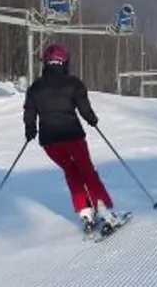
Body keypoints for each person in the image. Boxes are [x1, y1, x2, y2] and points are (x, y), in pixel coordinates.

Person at [23, 43, 122, 232]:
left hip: (50, 141)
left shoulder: (36, 87)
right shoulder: (73, 83)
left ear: (46, 62)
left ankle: (85, 211)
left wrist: (30, 130)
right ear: (64, 62)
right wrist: (92, 120)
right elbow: (84, 108)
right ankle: (104, 210)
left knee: (71, 171)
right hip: (72, 136)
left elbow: (29, 112)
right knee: (86, 171)